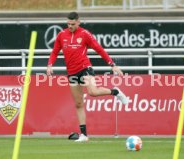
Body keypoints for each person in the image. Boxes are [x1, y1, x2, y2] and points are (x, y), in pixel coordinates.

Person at [46, 12, 128, 142]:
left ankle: (115, 91)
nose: (70, 26)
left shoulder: (85, 34)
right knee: (78, 104)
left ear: (79, 22)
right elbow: (55, 51)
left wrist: (112, 65)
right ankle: (84, 135)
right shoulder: (62, 35)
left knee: (93, 92)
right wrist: (50, 65)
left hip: (85, 68)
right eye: (68, 24)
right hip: (72, 73)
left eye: (72, 24)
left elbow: (99, 49)